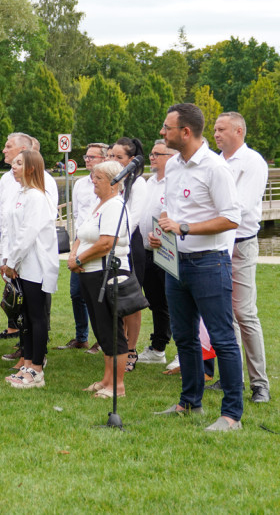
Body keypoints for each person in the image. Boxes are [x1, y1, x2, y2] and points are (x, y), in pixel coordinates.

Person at [149, 103, 243, 431]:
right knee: (185, 337)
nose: (162, 133)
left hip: (209, 264)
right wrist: (162, 233)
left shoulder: (215, 168)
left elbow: (232, 218)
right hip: (176, 263)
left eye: (167, 127)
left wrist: (184, 228)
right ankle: (190, 403)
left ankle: (231, 415)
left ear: (185, 132)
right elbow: (173, 214)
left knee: (221, 338)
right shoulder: (173, 165)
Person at [213, 111, 270, 403]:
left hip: (240, 244)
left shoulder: (253, 163)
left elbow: (242, 207)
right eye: (214, 129)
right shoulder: (215, 163)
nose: (216, 134)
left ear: (239, 131)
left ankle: (260, 384)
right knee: (225, 315)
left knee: (244, 313)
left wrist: (210, 215)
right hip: (215, 243)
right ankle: (230, 377)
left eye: (221, 129)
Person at [68, 160, 132, 398]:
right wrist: (75, 254)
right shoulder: (100, 204)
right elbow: (82, 233)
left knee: (112, 329)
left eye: (98, 178)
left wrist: (79, 260)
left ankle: (118, 385)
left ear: (114, 182)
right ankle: (106, 379)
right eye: (93, 177)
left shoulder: (115, 205)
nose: (92, 181)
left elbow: (107, 242)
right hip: (90, 274)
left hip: (107, 274)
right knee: (101, 328)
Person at [0, 132, 57, 342]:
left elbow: (42, 221)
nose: (4, 150)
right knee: (19, 304)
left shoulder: (44, 182)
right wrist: (6, 258)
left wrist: (14, 258)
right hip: (13, 251)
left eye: (8, 146)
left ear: (22, 151)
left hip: (32, 257)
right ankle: (24, 349)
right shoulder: (6, 179)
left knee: (35, 309)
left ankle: (35, 354)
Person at [0, 151, 60, 389]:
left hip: (35, 264)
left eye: (19, 163)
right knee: (23, 317)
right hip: (20, 265)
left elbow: (27, 234)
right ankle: (26, 363)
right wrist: (8, 259)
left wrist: (12, 261)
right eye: (13, 163)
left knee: (36, 317)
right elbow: (11, 230)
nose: (13, 167)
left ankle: (37, 367)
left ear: (32, 168)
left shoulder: (37, 196)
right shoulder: (20, 194)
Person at [58, 142, 108, 354]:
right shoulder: (79, 184)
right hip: (81, 242)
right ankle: (81, 337)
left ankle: (102, 340)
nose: (87, 160)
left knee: (99, 295)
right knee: (76, 293)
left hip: (100, 244)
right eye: (86, 157)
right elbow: (78, 216)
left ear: (104, 159)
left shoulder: (110, 183)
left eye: (92, 157)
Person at [107, 137, 148, 372]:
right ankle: (118, 345)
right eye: (111, 156)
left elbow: (133, 217)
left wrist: (115, 238)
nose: (113, 160)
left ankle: (131, 349)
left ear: (131, 160)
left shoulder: (138, 183)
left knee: (131, 299)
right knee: (115, 297)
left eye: (118, 157)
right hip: (111, 243)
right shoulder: (113, 182)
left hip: (129, 244)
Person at [136, 139, 176, 365]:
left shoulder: (173, 183)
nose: (151, 157)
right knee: (155, 301)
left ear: (171, 157)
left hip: (167, 253)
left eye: (157, 154)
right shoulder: (150, 182)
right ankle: (158, 348)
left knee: (172, 302)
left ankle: (182, 352)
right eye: (151, 154)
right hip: (146, 252)